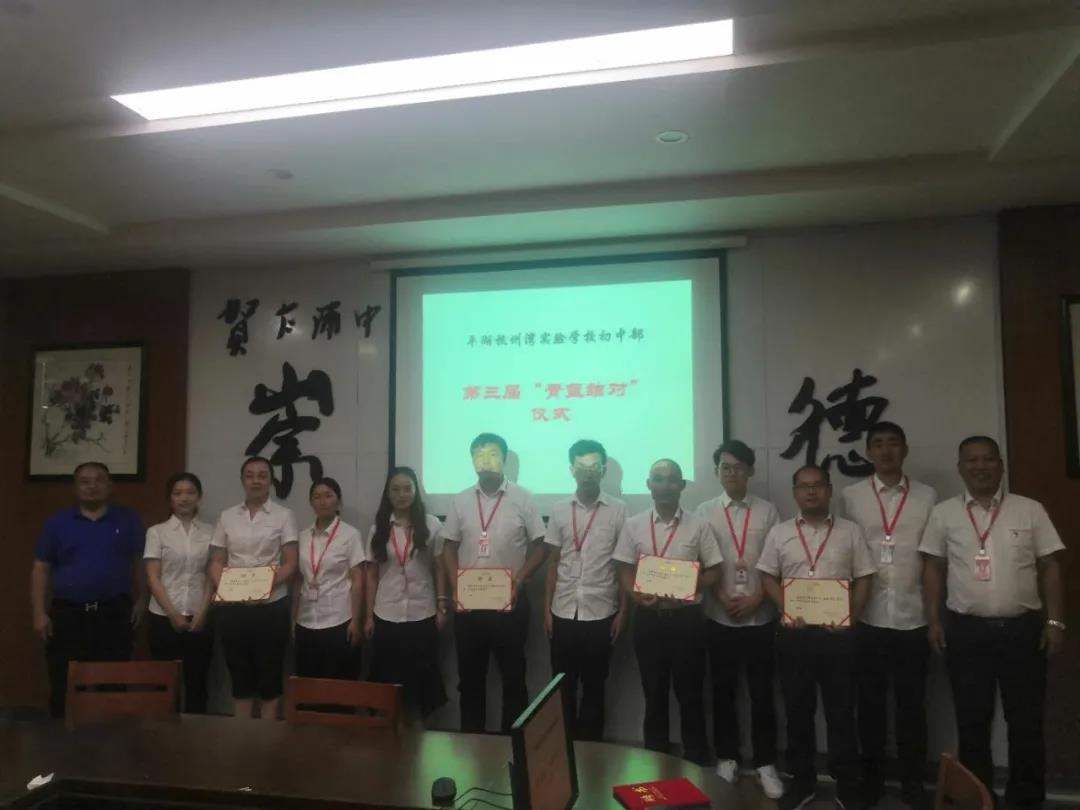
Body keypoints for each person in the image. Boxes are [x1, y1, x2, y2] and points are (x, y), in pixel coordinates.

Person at [920, 436, 1065, 810]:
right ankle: (979, 800)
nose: (980, 466)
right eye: (972, 460)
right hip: (967, 633)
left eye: (988, 459)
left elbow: (1050, 565)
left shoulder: (1029, 510)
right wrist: (933, 620)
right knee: (972, 722)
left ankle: (1026, 801)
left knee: (1026, 722)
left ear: (1001, 466)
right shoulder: (944, 513)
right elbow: (933, 567)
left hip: (1023, 631)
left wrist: (1055, 621)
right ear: (960, 468)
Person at [758, 464, 875, 810]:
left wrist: (851, 615)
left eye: (818, 485)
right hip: (794, 636)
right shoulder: (779, 533)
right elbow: (767, 576)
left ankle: (846, 783)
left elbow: (864, 576)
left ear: (829, 490)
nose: (811, 491)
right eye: (804, 486)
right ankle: (802, 780)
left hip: (838, 636)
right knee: (798, 710)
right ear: (795, 493)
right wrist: (787, 607)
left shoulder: (850, 531)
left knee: (842, 711)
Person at [840, 422, 936, 808]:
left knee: (913, 706)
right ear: (868, 452)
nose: (885, 451)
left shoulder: (927, 496)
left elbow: (932, 557)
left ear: (905, 450)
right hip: (868, 617)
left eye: (892, 444)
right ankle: (873, 779)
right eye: (877, 444)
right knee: (870, 706)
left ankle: (913, 781)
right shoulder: (851, 496)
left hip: (914, 617)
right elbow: (843, 552)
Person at [613, 458, 723, 766]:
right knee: (654, 693)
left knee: (691, 695)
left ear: (682, 485)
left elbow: (715, 571)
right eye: (658, 479)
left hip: (686, 621)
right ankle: (656, 760)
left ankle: (697, 761)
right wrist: (636, 595)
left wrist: (689, 584)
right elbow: (624, 568)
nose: (665, 486)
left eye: (672, 479)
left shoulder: (698, 526)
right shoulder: (634, 524)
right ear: (648, 484)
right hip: (649, 620)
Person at [695, 440, 783, 799]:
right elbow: (700, 562)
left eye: (739, 467)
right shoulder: (703, 511)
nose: (732, 473)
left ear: (751, 470)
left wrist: (757, 599)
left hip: (761, 616)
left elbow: (776, 561)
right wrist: (722, 598)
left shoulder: (768, 511)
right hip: (719, 616)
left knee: (762, 693)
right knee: (723, 691)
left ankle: (765, 763)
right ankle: (727, 758)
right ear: (716, 472)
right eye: (725, 467)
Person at [442, 432, 547, 733]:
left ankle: (511, 746)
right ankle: (471, 743)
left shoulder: (523, 497)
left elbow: (541, 546)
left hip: (510, 603)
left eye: (492, 454)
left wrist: (520, 580)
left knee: (514, 679)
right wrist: (456, 586)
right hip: (469, 606)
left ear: (504, 459)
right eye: (478, 454)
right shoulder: (461, 500)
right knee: (469, 680)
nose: (485, 460)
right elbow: (448, 548)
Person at [30, 461, 146, 717]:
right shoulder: (57, 523)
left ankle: (111, 738)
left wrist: (141, 600)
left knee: (113, 683)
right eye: (84, 481)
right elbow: (41, 568)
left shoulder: (127, 520)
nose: (92, 486)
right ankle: (62, 738)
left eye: (98, 480)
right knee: (64, 682)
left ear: (110, 485)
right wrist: (39, 613)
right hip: (68, 614)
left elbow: (140, 563)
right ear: (75, 487)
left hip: (114, 613)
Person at [543, 439, 628, 742]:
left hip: (601, 611)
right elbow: (553, 561)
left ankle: (591, 750)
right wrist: (547, 611)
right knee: (561, 686)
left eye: (594, 467)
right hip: (563, 609)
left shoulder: (618, 510)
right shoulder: (558, 509)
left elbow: (623, 565)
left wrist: (623, 613)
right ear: (572, 470)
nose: (588, 472)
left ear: (603, 470)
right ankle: (563, 749)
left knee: (595, 686)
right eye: (582, 467)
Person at [208, 456, 298, 720]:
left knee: (270, 675)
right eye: (250, 475)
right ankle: (242, 738)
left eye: (262, 475)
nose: (255, 481)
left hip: (271, 606)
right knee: (240, 676)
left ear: (270, 481)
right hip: (233, 608)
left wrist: (260, 588)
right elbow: (217, 561)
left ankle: (268, 739)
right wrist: (227, 587)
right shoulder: (227, 516)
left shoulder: (284, 516)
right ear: (242, 480)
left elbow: (290, 563)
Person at [364, 467, 448, 719]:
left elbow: (440, 568)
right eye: (396, 490)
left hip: (422, 613)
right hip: (386, 613)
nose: (402, 495)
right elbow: (371, 575)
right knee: (387, 682)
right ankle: (389, 735)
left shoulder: (432, 524)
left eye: (407, 489)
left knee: (421, 683)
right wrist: (368, 616)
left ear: (415, 491)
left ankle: (418, 736)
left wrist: (442, 606)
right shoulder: (378, 528)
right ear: (388, 494)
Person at [144, 472, 215, 713]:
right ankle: (165, 734)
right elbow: (153, 577)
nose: (184, 498)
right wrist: (173, 614)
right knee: (165, 685)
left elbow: (212, 576)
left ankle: (196, 733)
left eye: (190, 492)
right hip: (163, 617)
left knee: (198, 682)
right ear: (170, 498)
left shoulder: (211, 532)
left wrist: (203, 613)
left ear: (199, 497)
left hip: (200, 617)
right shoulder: (157, 532)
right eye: (178, 493)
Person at [293, 477, 364, 680]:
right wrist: (293, 619)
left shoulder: (350, 535)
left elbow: (358, 580)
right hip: (306, 620)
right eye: (316, 497)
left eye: (328, 496)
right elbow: (298, 579)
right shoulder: (303, 536)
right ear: (311, 502)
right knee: (308, 684)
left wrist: (356, 621)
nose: (322, 501)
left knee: (340, 685)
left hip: (339, 620)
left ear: (338, 501)